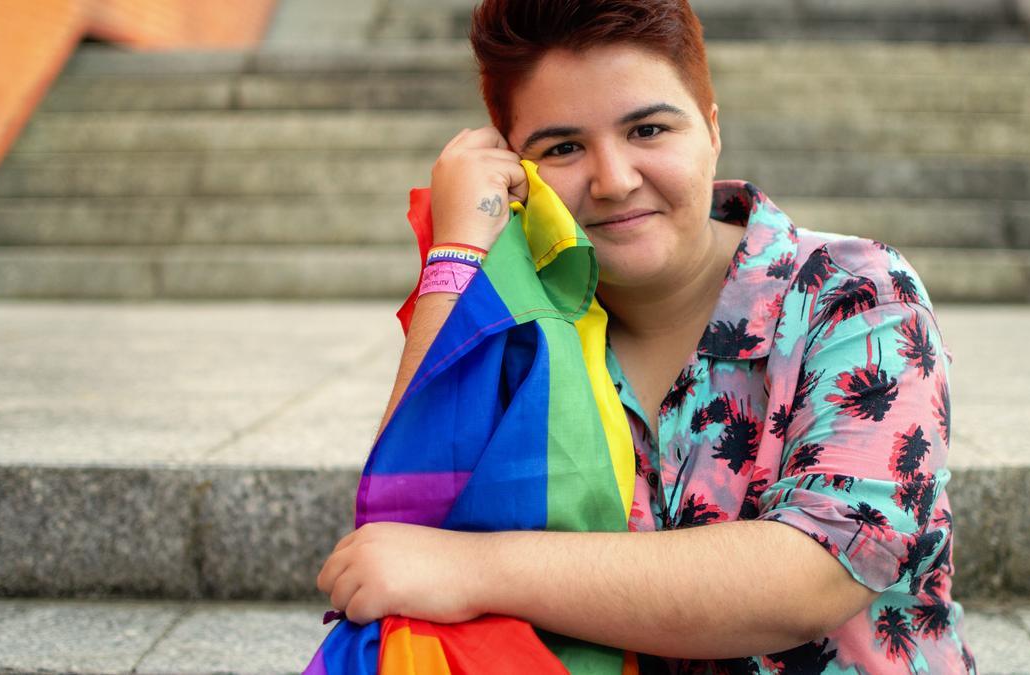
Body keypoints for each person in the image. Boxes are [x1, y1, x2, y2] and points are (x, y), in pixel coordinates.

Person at [316, 0, 976, 671]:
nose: (614, 180)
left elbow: (817, 572)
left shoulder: (853, 290)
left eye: (649, 130)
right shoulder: (533, 326)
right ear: (516, 169)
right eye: (563, 147)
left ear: (712, 129)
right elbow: (403, 534)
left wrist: (475, 569)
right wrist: (457, 253)